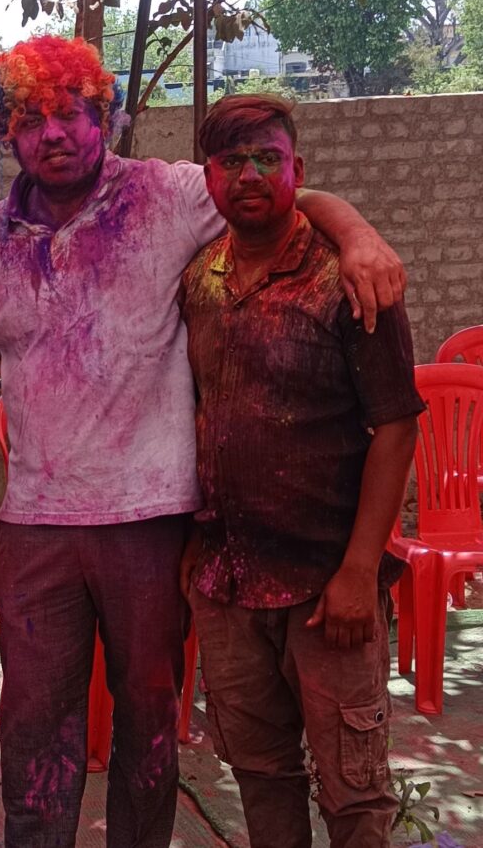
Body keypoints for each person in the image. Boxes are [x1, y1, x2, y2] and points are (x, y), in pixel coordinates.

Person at [0, 35, 407, 847]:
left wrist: (360, 233)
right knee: (32, 725)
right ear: (5, 132)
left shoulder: (165, 194)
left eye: (71, 113)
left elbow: (277, 186)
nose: (53, 133)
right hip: (34, 524)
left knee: (150, 722)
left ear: (103, 117)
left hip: (150, 520)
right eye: (30, 119)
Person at [178, 94, 421, 847]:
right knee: (260, 775)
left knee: (354, 792)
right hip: (227, 583)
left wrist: (359, 570)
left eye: (267, 159)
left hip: (328, 589)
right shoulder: (199, 281)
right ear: (208, 178)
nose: (249, 175)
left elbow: (396, 429)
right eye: (231, 161)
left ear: (298, 169)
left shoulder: (350, 280)